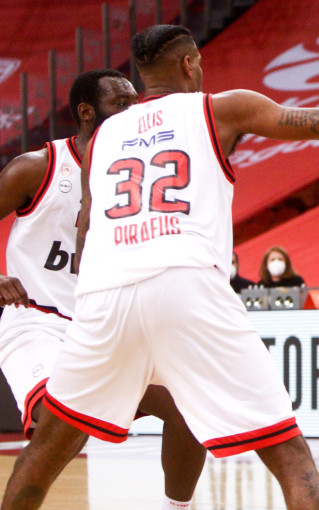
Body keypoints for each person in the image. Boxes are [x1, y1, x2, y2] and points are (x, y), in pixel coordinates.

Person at [1, 4, 319, 510]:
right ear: (189, 64)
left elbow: (86, 238)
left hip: (104, 295)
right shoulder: (220, 108)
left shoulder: (103, 137)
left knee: (46, 451)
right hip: (184, 283)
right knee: (289, 454)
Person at [0, 68, 207, 510]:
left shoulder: (140, 172)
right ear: (86, 111)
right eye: (121, 103)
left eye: (135, 102)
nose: (133, 111)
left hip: (107, 321)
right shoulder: (37, 167)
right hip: (38, 322)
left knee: (190, 404)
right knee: (62, 424)